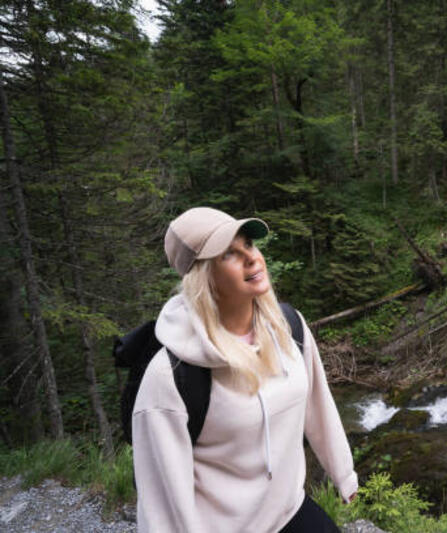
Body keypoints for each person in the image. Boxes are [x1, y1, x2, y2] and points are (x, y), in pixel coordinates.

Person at [132, 207, 357, 532]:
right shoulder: (169, 376)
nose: (251, 258)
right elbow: (161, 499)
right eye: (229, 254)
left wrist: (343, 473)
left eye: (249, 244)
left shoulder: (289, 328)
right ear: (203, 276)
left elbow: (318, 407)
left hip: (289, 511)